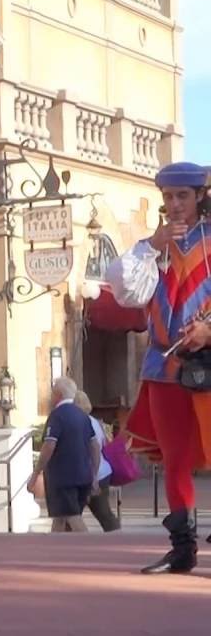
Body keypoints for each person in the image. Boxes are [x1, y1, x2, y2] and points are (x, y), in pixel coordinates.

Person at [105, 161, 211, 573]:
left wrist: (207, 331)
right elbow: (126, 291)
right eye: (168, 198)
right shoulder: (154, 249)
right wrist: (151, 245)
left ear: (200, 197)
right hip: (163, 369)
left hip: (207, 363)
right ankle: (182, 549)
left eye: (182, 196)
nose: (174, 205)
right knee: (175, 459)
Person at [27, 378, 100, 533]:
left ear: (58, 395)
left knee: (72, 517)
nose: (50, 397)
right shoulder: (83, 417)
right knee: (60, 518)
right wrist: (94, 474)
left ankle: (91, 547)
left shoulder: (57, 416)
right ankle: (55, 550)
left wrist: (36, 472)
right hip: (83, 476)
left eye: (52, 393)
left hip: (63, 477)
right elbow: (95, 446)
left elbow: (49, 445)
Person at [76, 391, 120, 532]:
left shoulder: (82, 423)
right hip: (101, 472)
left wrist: (93, 476)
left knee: (72, 514)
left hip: (92, 473)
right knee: (103, 513)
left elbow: (92, 448)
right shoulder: (94, 421)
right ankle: (117, 536)